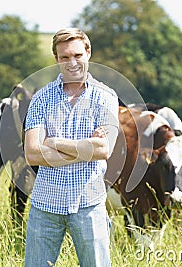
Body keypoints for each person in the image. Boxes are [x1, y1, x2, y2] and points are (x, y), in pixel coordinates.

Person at [23, 28, 119, 267]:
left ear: (88, 53)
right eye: (64, 57)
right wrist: (85, 149)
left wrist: (54, 142)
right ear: (56, 59)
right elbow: (32, 154)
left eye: (77, 55)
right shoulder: (41, 99)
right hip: (45, 206)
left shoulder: (105, 97)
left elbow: (104, 150)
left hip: (89, 204)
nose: (72, 62)